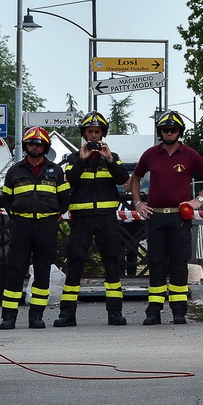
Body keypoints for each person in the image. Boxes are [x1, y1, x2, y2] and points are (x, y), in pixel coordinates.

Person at [130, 110, 203, 325]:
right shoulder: (150, 154)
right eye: (165, 130)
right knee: (156, 262)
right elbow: (135, 178)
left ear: (179, 132)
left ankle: (179, 310)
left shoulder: (189, 154)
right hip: (156, 217)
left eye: (173, 130)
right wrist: (138, 202)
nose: (169, 133)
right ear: (160, 132)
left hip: (179, 217)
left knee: (179, 263)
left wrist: (198, 200)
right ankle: (154, 310)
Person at [53, 111, 129, 327]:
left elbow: (123, 179)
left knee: (112, 262)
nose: (94, 136)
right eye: (90, 132)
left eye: (97, 132)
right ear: (84, 134)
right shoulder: (73, 158)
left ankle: (115, 312)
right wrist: (82, 160)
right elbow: (71, 180)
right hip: (82, 218)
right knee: (75, 261)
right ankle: (67, 313)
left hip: (106, 217)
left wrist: (110, 159)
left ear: (102, 134)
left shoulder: (112, 156)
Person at [0, 126, 70, 330]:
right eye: (31, 143)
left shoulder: (56, 171)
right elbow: (7, 199)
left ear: (45, 147)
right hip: (21, 225)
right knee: (15, 270)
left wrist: (50, 216)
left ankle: (36, 316)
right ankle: (8, 317)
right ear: (26, 146)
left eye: (39, 144)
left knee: (42, 271)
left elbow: (64, 199)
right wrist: (20, 216)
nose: (35, 147)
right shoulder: (14, 171)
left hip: (46, 226)